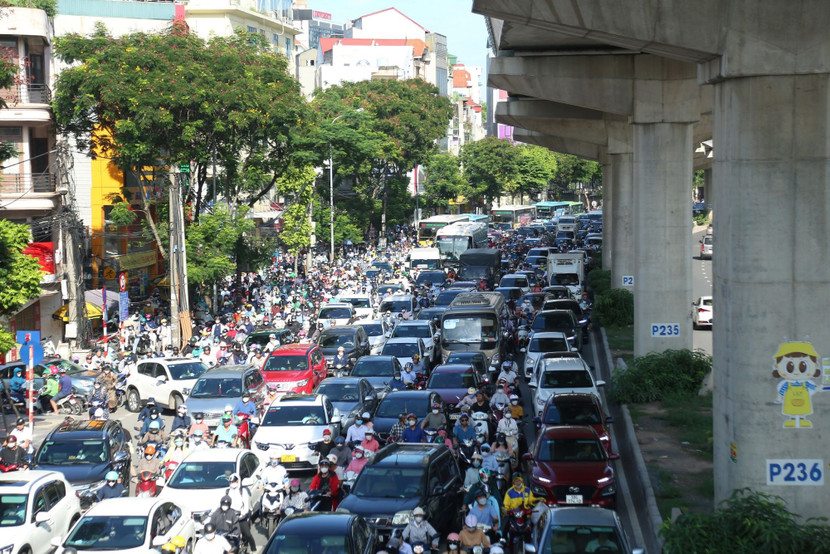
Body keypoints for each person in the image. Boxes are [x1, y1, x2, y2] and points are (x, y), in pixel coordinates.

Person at [225, 474, 256, 552]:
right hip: (231, 517)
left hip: (241, 517)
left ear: (238, 481)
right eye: (231, 482)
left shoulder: (243, 491)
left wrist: (242, 513)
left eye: (234, 481)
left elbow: (246, 506)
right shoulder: (227, 492)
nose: (233, 483)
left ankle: (253, 549)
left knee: (247, 534)